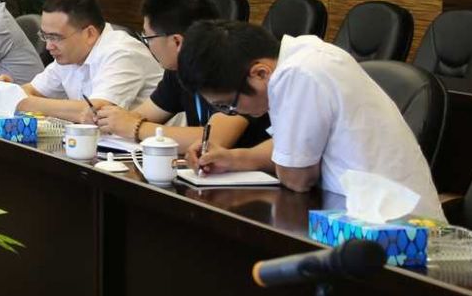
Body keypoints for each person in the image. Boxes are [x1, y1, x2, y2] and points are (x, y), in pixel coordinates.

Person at [176, 20, 445, 221]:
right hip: (372, 215)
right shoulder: (304, 55)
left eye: (229, 104)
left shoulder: (298, 74)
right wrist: (233, 158)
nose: (234, 112)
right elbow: (293, 148)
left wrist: (251, 161)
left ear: (260, 73)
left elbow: (297, 177)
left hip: (394, 229)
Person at [95, 0, 271, 154]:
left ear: (177, 41)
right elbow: (141, 115)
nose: (148, 45)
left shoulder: (227, 64)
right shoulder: (176, 70)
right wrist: (109, 119)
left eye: (148, 38)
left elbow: (213, 139)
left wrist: (136, 128)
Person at [0, 0, 161, 122]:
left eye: (55, 37)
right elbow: (30, 91)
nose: (48, 46)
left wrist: (25, 102)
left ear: (89, 34)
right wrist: (5, 91)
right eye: (45, 36)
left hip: (149, 147)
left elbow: (95, 112)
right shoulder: (69, 54)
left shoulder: (123, 52)